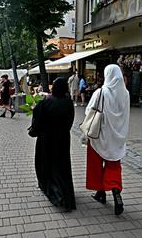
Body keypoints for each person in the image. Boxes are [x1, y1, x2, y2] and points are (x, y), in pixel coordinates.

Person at [84, 64, 130, 216]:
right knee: (114, 165)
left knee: (95, 164)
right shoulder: (126, 93)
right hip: (117, 137)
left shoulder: (101, 92)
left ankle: (101, 193)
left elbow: (89, 111)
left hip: (99, 135)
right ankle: (117, 195)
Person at [29, 77, 76, 211]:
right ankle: (65, 192)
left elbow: (37, 121)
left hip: (47, 139)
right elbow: (70, 120)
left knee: (46, 163)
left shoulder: (47, 102)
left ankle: (53, 190)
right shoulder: (68, 102)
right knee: (62, 166)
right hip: (63, 139)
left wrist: (35, 109)